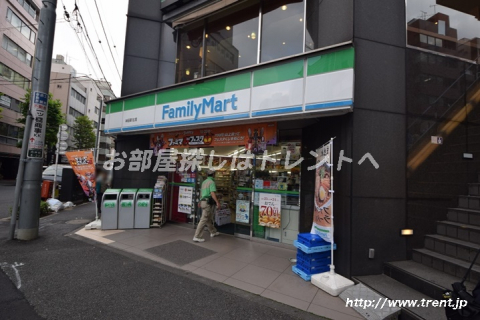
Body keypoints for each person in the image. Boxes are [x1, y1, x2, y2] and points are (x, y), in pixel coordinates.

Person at [193, 170, 220, 242]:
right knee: (203, 219)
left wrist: (199, 201)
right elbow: (212, 193)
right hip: (207, 203)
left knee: (208, 218)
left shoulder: (204, 182)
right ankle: (197, 236)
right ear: (213, 175)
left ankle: (213, 231)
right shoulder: (212, 182)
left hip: (203, 202)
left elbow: (201, 192)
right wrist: (217, 202)